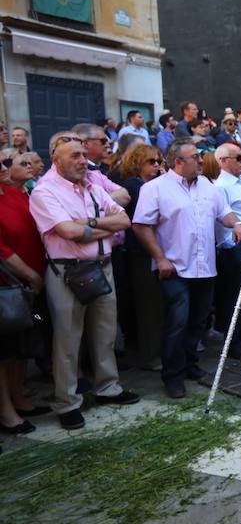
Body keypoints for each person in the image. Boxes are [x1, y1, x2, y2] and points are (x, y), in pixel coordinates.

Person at [30, 132, 139, 429]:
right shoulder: (44, 191)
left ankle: (108, 388)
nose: (83, 161)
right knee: (67, 340)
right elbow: (67, 231)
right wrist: (97, 227)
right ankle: (67, 402)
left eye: (83, 155)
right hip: (67, 272)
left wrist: (89, 223)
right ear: (56, 160)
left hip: (103, 266)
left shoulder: (92, 185)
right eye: (75, 156)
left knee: (104, 333)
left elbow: (124, 220)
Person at [132, 139, 241, 398]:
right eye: (194, 156)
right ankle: (172, 376)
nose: (199, 160)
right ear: (177, 162)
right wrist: (159, 258)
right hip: (174, 268)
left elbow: (224, 213)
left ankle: (189, 365)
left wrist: (237, 224)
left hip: (205, 266)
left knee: (198, 320)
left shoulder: (207, 185)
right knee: (177, 321)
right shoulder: (155, 189)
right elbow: (141, 225)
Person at [0, 158, 48, 435]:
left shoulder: (15, 192)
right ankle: (5, 410)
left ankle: (18, 397)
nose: (4, 167)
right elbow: (2, 249)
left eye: (5, 162)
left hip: (31, 288)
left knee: (22, 344)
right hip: (9, 286)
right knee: (5, 351)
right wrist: (30, 274)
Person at [118, 144, 164, 371]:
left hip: (156, 251)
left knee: (158, 305)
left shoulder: (150, 185)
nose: (156, 166)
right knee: (149, 307)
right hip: (141, 254)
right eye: (151, 162)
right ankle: (150, 355)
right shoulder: (134, 187)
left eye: (158, 161)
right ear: (137, 163)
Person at [213, 143, 241, 355]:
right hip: (235, 246)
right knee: (235, 296)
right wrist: (230, 244)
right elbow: (224, 218)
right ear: (223, 161)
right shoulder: (221, 186)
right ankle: (233, 343)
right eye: (238, 158)